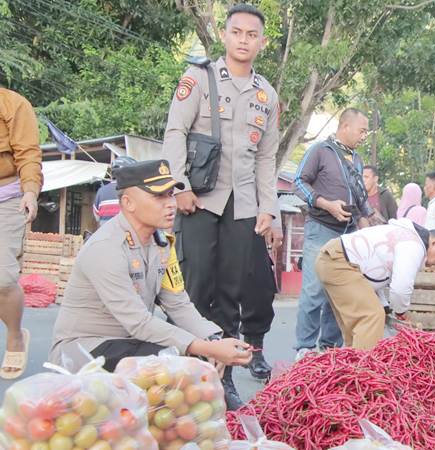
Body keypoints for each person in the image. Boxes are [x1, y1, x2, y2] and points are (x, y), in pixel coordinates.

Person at [162, 3, 278, 408]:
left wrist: (270, 208)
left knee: (231, 291)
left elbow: (266, 158)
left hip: (243, 205)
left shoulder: (268, 95)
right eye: (237, 32)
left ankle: (222, 376)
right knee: (195, 285)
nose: (244, 40)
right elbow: (176, 130)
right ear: (225, 36)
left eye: (252, 35)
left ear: (262, 43)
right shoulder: (199, 77)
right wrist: (177, 185)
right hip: (198, 199)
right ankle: (186, 368)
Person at [49, 160, 252, 391]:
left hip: (129, 344)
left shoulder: (162, 243)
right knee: (176, 369)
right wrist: (205, 349)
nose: (170, 205)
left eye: (170, 195)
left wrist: (212, 339)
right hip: (85, 349)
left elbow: (178, 303)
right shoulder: (105, 248)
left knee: (193, 363)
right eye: (159, 197)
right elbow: (138, 323)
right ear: (128, 203)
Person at [293, 108, 375, 360]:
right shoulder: (320, 150)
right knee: (314, 290)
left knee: (338, 292)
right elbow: (298, 182)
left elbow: (361, 197)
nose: (364, 136)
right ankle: (304, 348)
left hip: (347, 235)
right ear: (345, 126)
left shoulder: (357, 160)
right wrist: (326, 204)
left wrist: (365, 225)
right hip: (321, 228)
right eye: (361, 130)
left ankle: (329, 349)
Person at [315, 220, 435, 350]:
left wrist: (386, 307)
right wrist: (401, 312)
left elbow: (375, 279)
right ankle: (362, 371)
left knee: (356, 327)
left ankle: (350, 368)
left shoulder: (408, 237)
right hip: (339, 262)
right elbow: (401, 288)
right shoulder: (414, 245)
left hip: (334, 260)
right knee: (372, 316)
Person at [0, 87, 41, 379]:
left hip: (8, 198)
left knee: (2, 278)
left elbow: (28, 154)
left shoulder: (13, 104)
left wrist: (30, 192)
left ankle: (14, 335)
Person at [238, 220, 282, 380]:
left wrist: (275, 223)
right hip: (208, 210)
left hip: (251, 218)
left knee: (261, 287)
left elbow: (269, 194)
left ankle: (254, 350)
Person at [93, 156, 137, 226]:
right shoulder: (135, 191)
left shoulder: (101, 191)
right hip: (128, 235)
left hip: (105, 235)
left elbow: (97, 217)